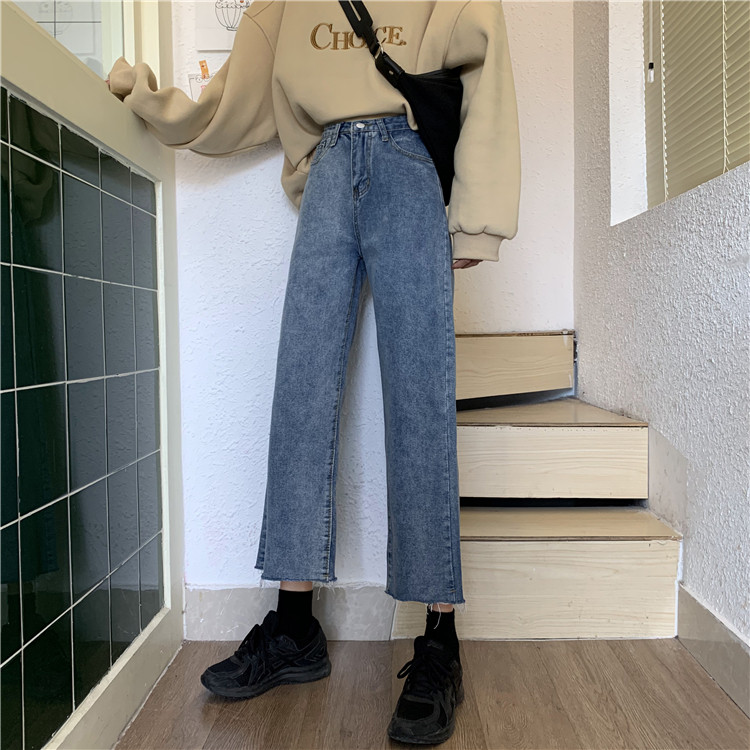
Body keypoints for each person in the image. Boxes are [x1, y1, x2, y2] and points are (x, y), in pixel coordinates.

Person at [107, 0, 520, 744]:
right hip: (329, 169)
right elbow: (228, 105)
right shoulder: (283, 5)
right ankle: (295, 625)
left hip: (410, 164)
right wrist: (148, 99)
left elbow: (485, 72)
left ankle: (439, 639)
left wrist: (476, 220)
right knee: (301, 391)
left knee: (420, 397)